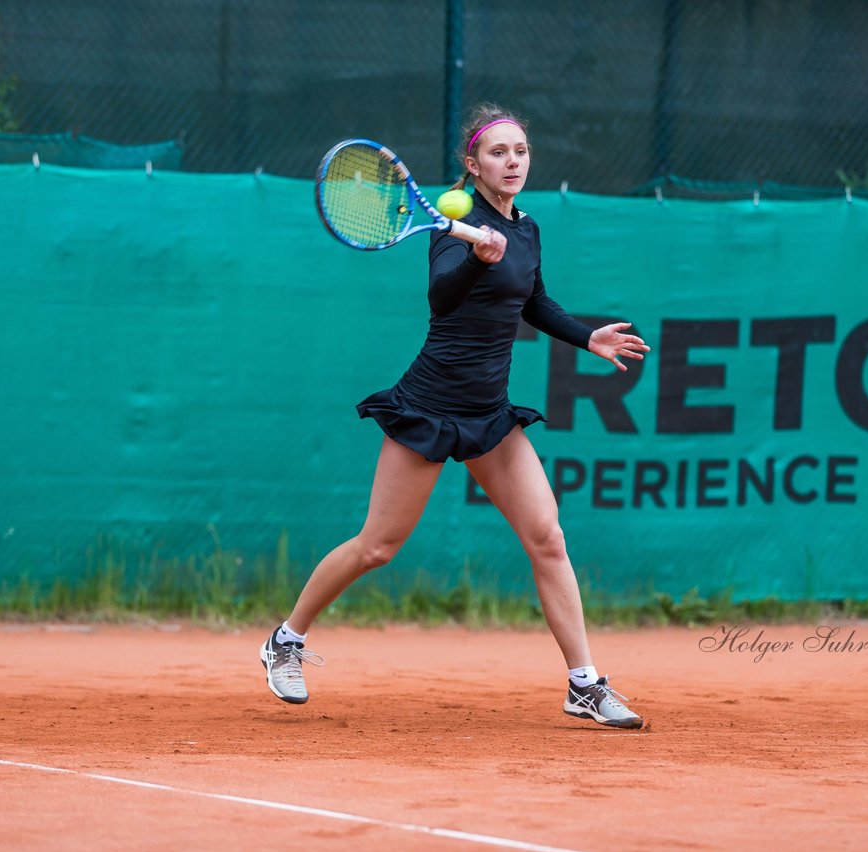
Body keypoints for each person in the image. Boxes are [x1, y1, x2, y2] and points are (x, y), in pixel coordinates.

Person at [261, 104, 650, 728]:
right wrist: (479, 258)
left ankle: (585, 683)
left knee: (548, 538)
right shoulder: (449, 226)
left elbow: (537, 302)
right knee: (377, 547)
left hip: (489, 415)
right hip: (429, 407)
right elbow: (442, 298)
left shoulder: (526, 230)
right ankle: (286, 640)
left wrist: (586, 338)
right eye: (498, 153)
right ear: (472, 166)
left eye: (520, 151)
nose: (513, 162)